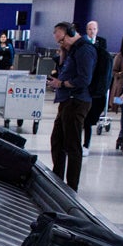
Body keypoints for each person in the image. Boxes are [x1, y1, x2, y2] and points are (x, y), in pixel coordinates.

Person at [45, 21, 96, 189]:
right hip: (67, 100)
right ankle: (57, 179)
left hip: (77, 101)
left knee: (72, 145)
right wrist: (62, 53)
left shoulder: (84, 50)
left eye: (62, 41)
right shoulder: (72, 50)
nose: (61, 44)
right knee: (57, 141)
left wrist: (62, 84)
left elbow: (84, 79)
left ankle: (72, 186)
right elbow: (65, 70)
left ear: (72, 33)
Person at [82, 20, 111, 150]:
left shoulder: (102, 43)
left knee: (89, 118)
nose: (92, 31)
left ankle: (86, 145)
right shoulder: (82, 43)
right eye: (90, 29)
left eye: (94, 29)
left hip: (97, 87)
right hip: (86, 85)